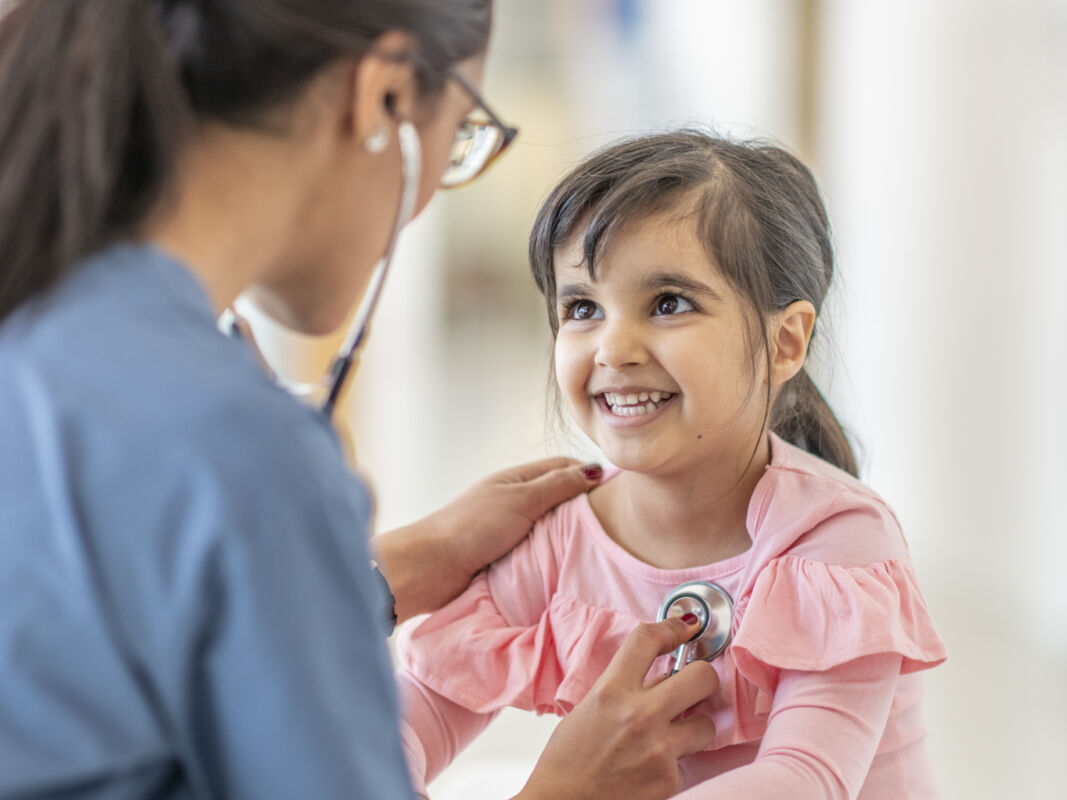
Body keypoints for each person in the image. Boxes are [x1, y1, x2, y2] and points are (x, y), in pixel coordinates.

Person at [0, 2, 720, 798]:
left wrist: (394, 567)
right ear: (382, 99)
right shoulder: (232, 441)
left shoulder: (0, 333)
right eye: (462, 140)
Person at [396, 132, 950, 798]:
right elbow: (412, 711)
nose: (614, 347)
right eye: (582, 308)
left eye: (668, 304)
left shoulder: (837, 540)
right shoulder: (556, 541)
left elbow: (804, 780)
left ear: (784, 342)